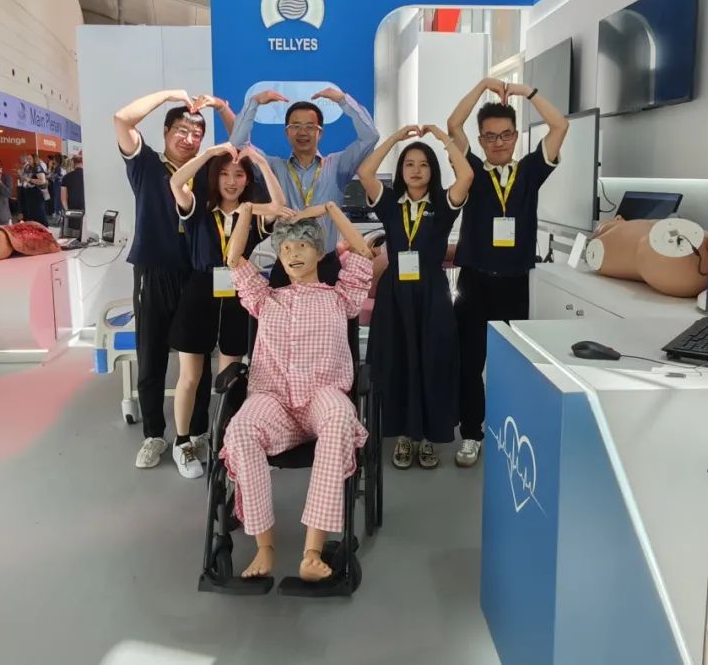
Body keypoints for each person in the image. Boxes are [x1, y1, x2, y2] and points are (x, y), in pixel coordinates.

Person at [220, 201, 373, 582]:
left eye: (302, 245)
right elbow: (234, 258)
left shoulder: (340, 297)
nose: (293, 254)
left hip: (322, 396)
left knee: (340, 416)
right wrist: (248, 209)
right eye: (286, 248)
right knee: (240, 428)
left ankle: (312, 553)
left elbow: (363, 251)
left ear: (319, 252)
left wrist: (329, 209)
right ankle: (265, 548)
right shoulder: (265, 298)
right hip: (274, 401)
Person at [446, 79, 569, 467]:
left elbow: (560, 125)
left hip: (515, 284)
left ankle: (510, 432)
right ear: (481, 140)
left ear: (516, 136)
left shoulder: (531, 170)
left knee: (512, 365)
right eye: (489, 136)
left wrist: (525, 92)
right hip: (474, 282)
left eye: (505, 135)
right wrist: (482, 85)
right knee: (469, 363)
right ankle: (471, 434)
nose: (498, 143)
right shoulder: (471, 170)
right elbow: (453, 124)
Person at [115, 89, 236, 469]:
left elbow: (239, 144)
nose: (189, 138)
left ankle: (196, 431)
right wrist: (170, 94)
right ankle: (154, 434)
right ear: (166, 132)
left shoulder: (205, 172)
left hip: (197, 274)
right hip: (153, 271)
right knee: (151, 355)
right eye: (181, 130)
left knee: (196, 357)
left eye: (196, 133)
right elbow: (122, 119)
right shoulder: (146, 164)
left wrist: (222, 107)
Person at [166, 143, 288, 479]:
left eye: (239, 174)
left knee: (229, 379)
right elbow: (176, 182)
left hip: (238, 295)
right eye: (224, 174)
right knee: (190, 377)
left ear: (247, 180)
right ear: (214, 177)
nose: (231, 181)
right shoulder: (198, 209)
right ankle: (182, 441)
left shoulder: (252, 213)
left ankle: (223, 439)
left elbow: (278, 205)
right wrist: (207, 155)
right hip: (198, 293)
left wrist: (260, 161)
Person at [358, 124, 473, 469]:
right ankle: (405, 436)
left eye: (424, 164)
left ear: (432, 170)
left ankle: (429, 437)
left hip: (432, 292)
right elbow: (365, 172)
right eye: (409, 164)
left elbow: (466, 175)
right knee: (397, 361)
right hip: (395, 293)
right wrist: (395, 139)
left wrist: (443, 138)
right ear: (401, 170)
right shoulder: (390, 204)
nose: (416, 170)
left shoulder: (443, 204)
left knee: (433, 361)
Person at [229, 87, 379, 286]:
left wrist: (343, 100)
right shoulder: (274, 167)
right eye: (296, 126)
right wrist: (254, 102)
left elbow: (370, 137)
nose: (302, 132)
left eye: (310, 126)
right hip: (287, 265)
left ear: (320, 133)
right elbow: (238, 144)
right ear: (287, 132)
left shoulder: (338, 166)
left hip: (326, 266)